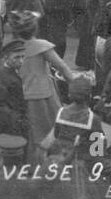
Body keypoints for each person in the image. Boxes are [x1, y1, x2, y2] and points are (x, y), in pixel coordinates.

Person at [10, 11, 77, 156]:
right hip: (45, 95)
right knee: (53, 129)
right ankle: (55, 160)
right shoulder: (41, 46)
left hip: (25, 94)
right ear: (35, 28)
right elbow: (63, 68)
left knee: (34, 133)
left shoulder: (13, 48)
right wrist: (75, 86)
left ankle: (33, 162)